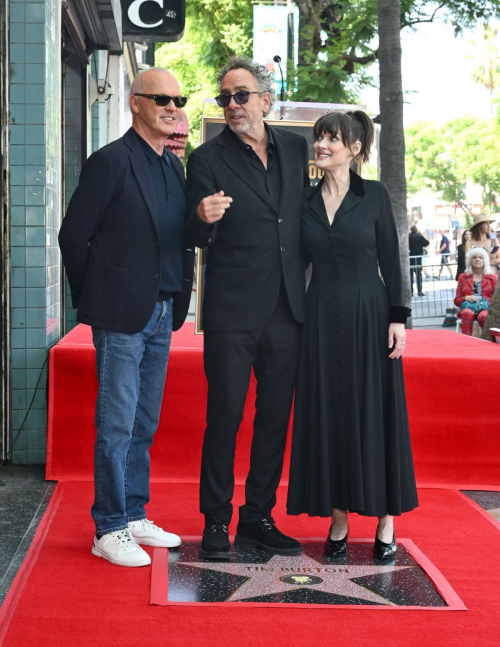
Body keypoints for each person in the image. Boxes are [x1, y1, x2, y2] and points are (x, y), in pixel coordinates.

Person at [59, 68, 195, 567]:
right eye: (161, 98)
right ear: (135, 103)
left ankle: (134, 513)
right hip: (120, 313)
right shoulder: (111, 161)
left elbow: (176, 237)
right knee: (116, 423)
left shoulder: (172, 166)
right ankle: (109, 527)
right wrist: (96, 297)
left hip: (163, 310)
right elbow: (74, 236)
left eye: (178, 98)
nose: (172, 106)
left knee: (144, 420)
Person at [185, 57, 310, 560]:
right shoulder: (206, 159)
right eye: (225, 98)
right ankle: (216, 520)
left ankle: (257, 516)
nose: (233, 105)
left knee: (275, 419)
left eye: (241, 95)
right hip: (232, 313)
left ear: (265, 98)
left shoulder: (297, 149)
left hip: (288, 310)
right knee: (225, 417)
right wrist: (201, 216)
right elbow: (193, 234)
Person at [287, 111, 418, 560]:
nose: (321, 144)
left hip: (370, 315)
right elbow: (292, 263)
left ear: (355, 148)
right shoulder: (303, 201)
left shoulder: (375, 195)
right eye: (319, 137)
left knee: (374, 412)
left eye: (332, 138)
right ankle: (338, 517)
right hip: (320, 318)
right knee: (330, 413)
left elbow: (391, 258)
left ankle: (386, 520)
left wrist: (398, 318)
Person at [454, 248, 498, 336]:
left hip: (486, 308)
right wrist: (465, 298)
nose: (477, 259)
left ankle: (488, 341)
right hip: (468, 308)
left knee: (484, 316)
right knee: (466, 313)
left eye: (480, 257)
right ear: (470, 260)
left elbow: (496, 300)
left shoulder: (493, 278)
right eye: (474, 257)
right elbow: (456, 300)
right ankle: (467, 343)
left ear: (484, 261)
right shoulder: (463, 277)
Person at [408, 225, 429, 296]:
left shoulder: (408, 236)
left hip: (410, 258)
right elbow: (427, 242)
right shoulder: (419, 236)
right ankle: (419, 291)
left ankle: (411, 292)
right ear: (416, 230)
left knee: (410, 276)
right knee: (418, 275)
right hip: (418, 258)